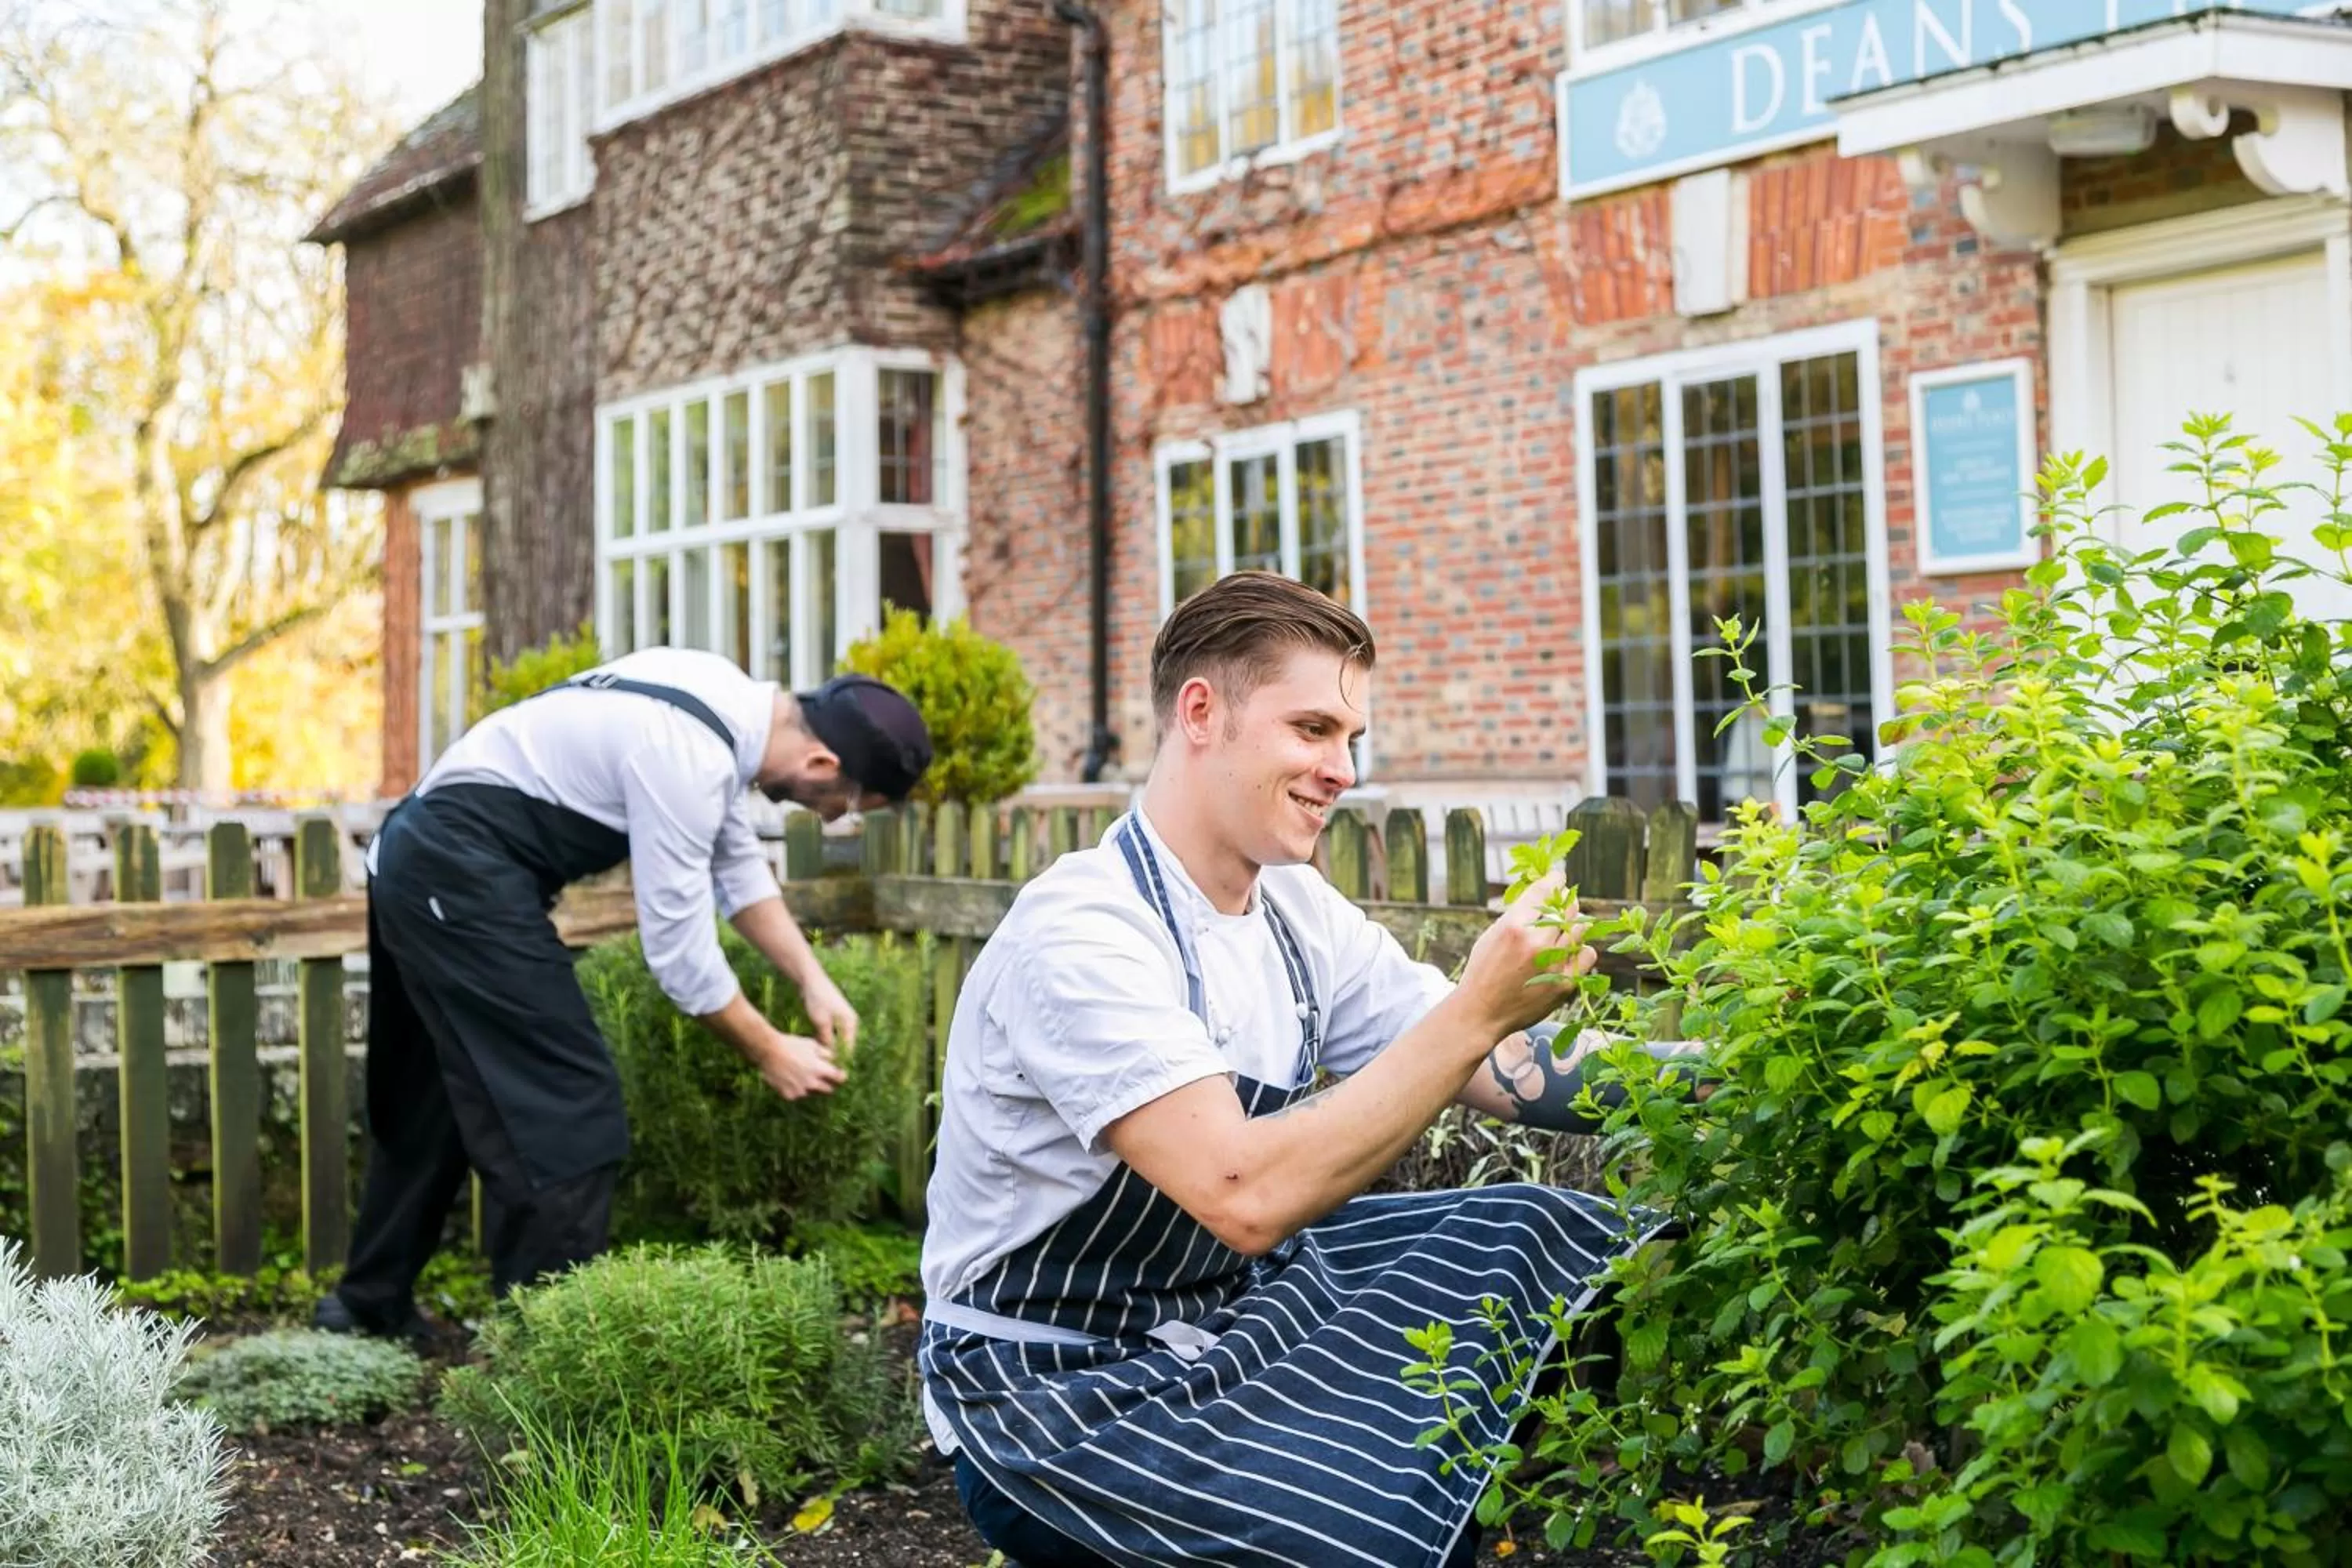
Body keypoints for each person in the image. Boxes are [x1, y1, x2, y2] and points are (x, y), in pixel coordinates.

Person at [916, 572, 1689, 1568]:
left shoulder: (1292, 907)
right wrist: (1470, 1011)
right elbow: (1243, 1192)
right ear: (1202, 712)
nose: (1344, 768)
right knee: (1359, 1541)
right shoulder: (1084, 934)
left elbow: (1504, 1063)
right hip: (1053, 1386)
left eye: (1351, 738)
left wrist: (1737, 1074)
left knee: (1531, 1230)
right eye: (1314, 728)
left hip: (1224, 1311)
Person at [317, 647, 932, 1345]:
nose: (830, 819)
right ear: (822, 764)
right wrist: (769, 1051)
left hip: (424, 858)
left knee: (430, 1099)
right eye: (847, 806)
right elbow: (677, 953)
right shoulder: (691, 755)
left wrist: (813, 983)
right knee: (567, 1109)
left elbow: (736, 872)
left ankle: (365, 1306)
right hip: (456, 870)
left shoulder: (720, 705)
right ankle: (547, 1357)